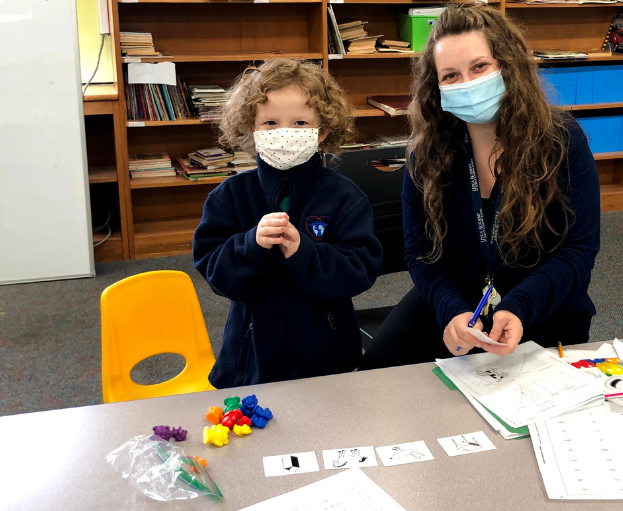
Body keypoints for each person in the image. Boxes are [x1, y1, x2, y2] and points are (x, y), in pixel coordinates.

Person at [361, 5, 600, 369]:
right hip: (456, 301)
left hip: (540, 303)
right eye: (451, 76)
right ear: (436, 87)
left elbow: (578, 249)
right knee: (377, 373)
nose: (468, 84)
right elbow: (421, 252)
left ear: (508, 64)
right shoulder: (427, 153)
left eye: (479, 67)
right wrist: (450, 310)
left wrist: (519, 308)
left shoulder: (560, 140)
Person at [194, 59, 383, 388]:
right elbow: (217, 274)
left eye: (299, 122)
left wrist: (304, 252)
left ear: (321, 130)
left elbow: (360, 270)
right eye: (270, 122)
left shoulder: (344, 196)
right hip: (252, 358)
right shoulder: (230, 197)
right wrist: (251, 245)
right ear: (251, 128)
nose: (285, 133)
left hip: (327, 357)